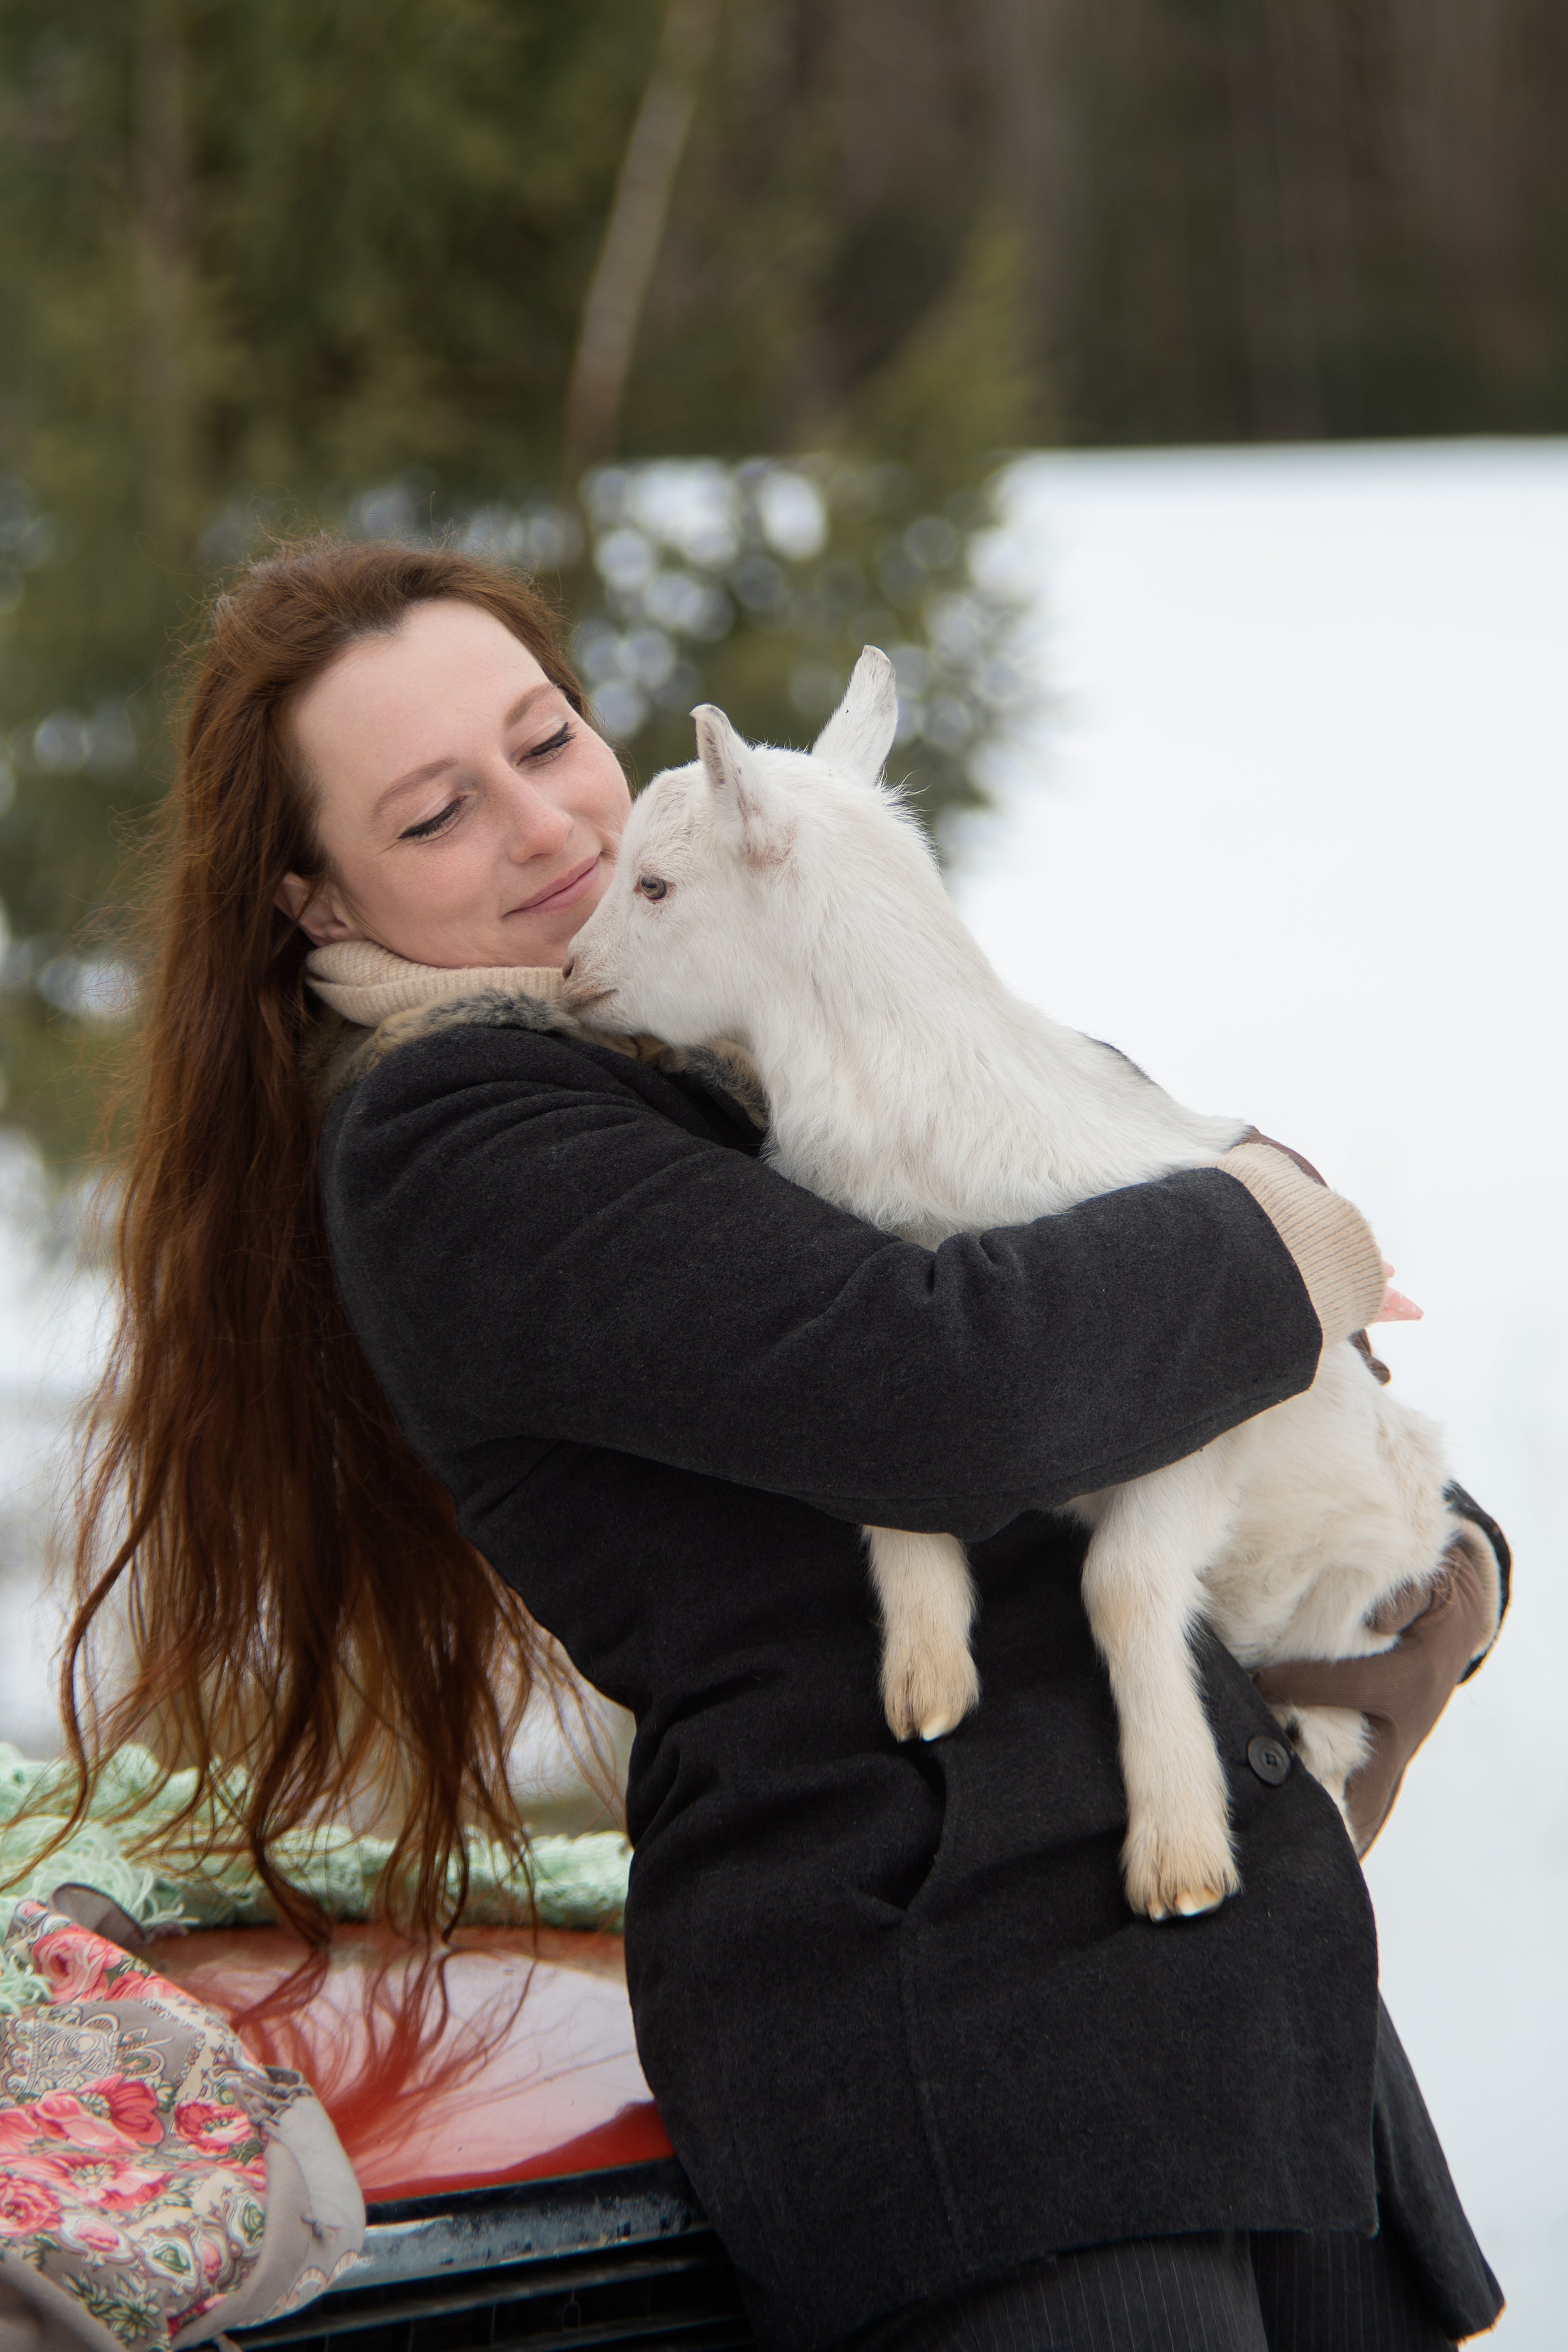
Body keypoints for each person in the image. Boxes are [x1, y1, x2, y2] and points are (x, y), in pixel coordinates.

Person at [70, 537, 1508, 2352]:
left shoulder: (741, 1019)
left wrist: (1428, 1577)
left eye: (549, 736)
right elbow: (948, 1391)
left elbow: (1156, 1277)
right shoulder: (463, 1142)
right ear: (317, 903)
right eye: (437, 815)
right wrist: (1278, 1226)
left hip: (1240, 2025)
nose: (543, 826)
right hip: (968, 2057)